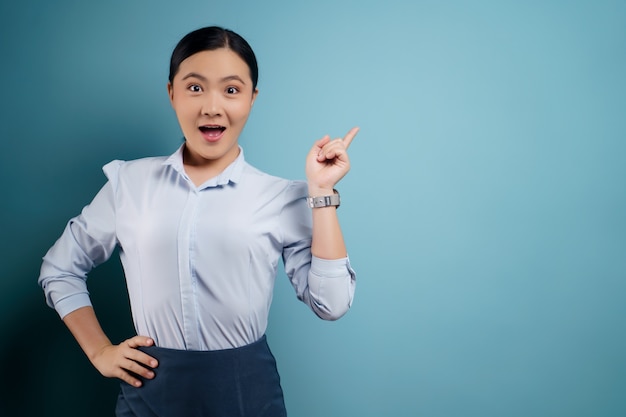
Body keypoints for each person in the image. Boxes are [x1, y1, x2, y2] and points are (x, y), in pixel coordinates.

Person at [38, 26, 358, 417]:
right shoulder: (129, 183)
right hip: (151, 391)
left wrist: (321, 193)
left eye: (231, 90)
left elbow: (332, 303)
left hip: (246, 391)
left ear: (252, 99)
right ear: (171, 93)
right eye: (194, 88)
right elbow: (60, 268)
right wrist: (100, 350)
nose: (212, 106)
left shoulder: (281, 196)